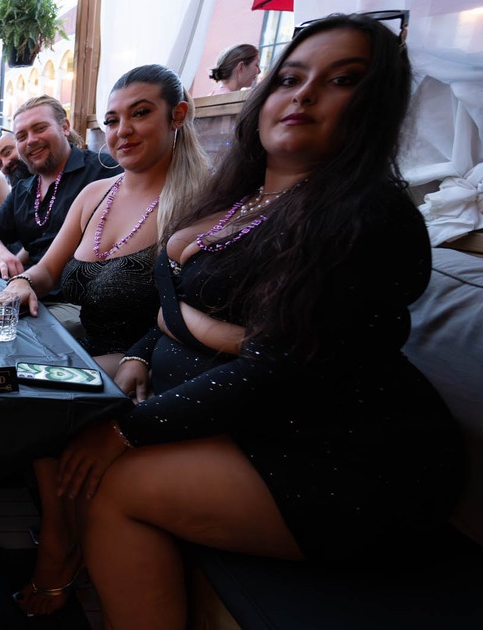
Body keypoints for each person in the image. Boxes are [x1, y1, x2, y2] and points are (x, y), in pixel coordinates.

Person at [59, 15, 465, 627]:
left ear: (376, 106)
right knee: (66, 408)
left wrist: (132, 426)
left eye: (343, 80)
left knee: (112, 481)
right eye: (291, 77)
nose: (303, 93)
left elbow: (282, 370)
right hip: (251, 418)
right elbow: (167, 306)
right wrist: (147, 351)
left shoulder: (369, 215)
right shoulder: (237, 198)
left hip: (340, 453)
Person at [3, 64, 211, 616]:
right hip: (80, 351)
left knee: (44, 408)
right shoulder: (97, 191)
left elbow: (185, 313)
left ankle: (59, 551)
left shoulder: (200, 200)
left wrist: (138, 353)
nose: (123, 131)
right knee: (13, 391)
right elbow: (46, 271)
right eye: (114, 119)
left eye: (141, 113)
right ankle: (61, 539)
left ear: (178, 116)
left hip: (147, 359)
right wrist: (20, 284)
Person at [0, 95, 122, 280]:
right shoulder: (23, 189)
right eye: (21, 136)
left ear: (65, 127)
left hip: (76, 300)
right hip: (32, 290)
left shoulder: (103, 170)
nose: (31, 140)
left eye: (40, 128)